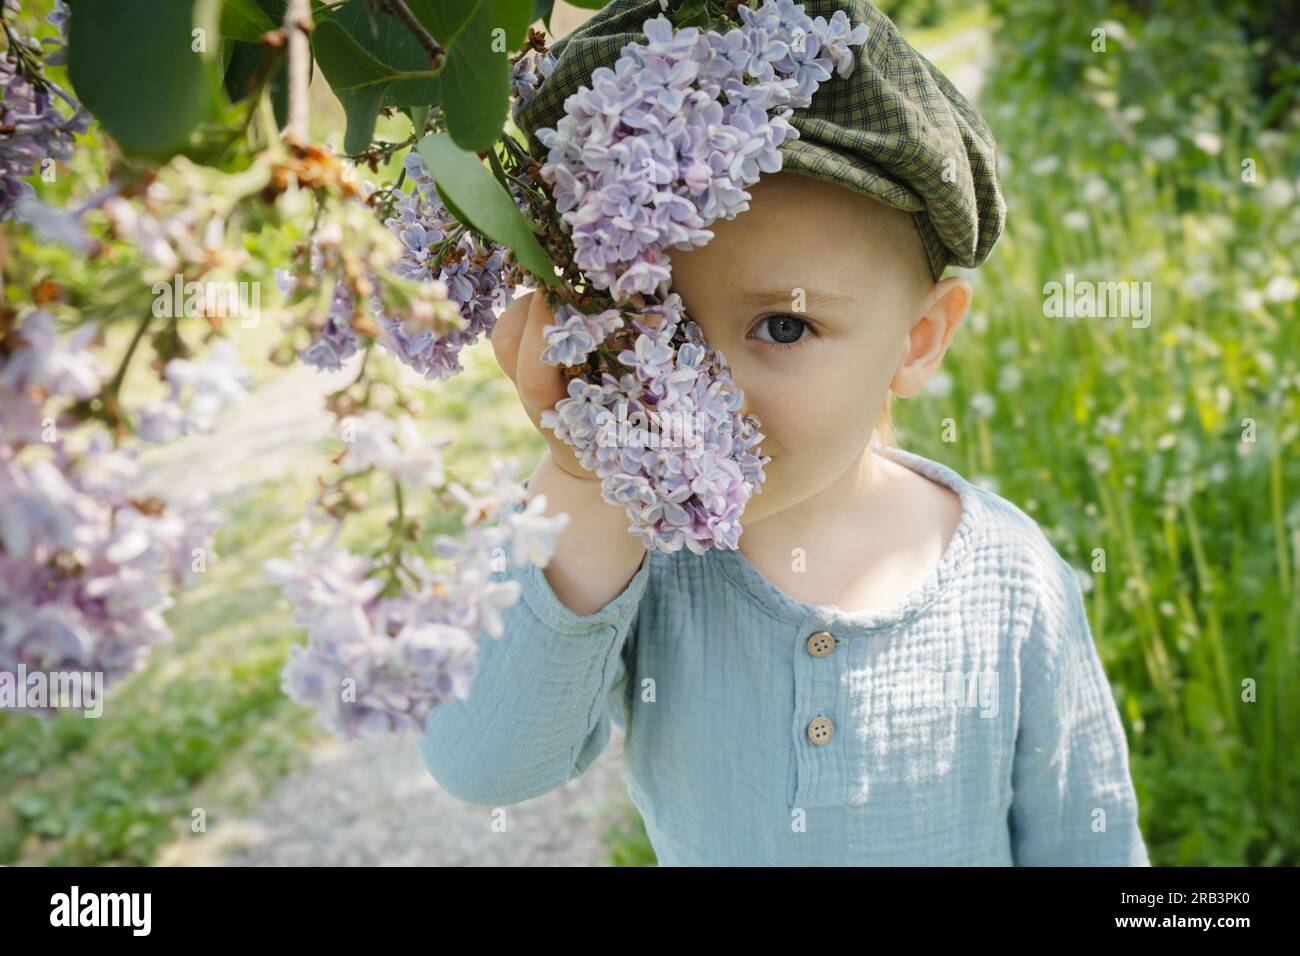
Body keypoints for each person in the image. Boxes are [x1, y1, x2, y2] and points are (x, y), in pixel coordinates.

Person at [417, 0, 1150, 866]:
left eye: (784, 328)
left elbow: (1090, 846)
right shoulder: (648, 561)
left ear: (919, 341)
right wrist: (581, 476)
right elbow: (483, 765)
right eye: (645, 319)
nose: (698, 391)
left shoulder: (1013, 582)